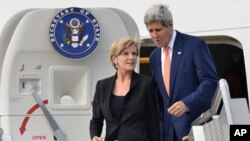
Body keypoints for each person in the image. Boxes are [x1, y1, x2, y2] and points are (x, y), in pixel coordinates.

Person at [144, 4, 219, 141]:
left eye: (158, 30)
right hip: (167, 132)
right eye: (150, 31)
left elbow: (210, 82)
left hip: (194, 127)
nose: (154, 36)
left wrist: (187, 103)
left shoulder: (195, 45)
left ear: (170, 25)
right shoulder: (154, 56)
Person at [89, 38, 161, 141]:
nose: (131, 57)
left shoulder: (147, 84)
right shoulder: (102, 86)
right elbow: (96, 120)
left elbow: (154, 122)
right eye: (125, 53)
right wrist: (94, 136)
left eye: (134, 54)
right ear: (114, 59)